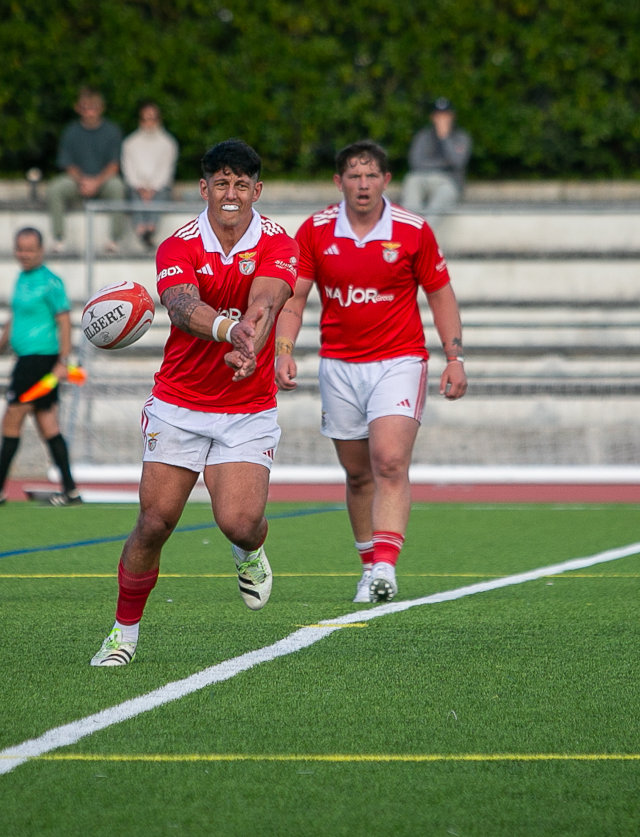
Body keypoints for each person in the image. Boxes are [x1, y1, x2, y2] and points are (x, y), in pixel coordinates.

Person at [90, 139, 299, 666]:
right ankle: (123, 634)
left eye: (241, 184)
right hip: (179, 402)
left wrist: (251, 341)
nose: (231, 193)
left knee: (240, 522)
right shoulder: (178, 245)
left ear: (257, 190)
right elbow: (182, 306)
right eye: (221, 183)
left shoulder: (279, 241)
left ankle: (250, 550)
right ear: (204, 188)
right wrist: (232, 333)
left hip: (247, 406)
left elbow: (268, 298)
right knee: (155, 521)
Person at [275, 140, 467, 604]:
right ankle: (368, 569)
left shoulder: (413, 231)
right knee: (358, 474)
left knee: (390, 461)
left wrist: (454, 357)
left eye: (371, 175)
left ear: (387, 180)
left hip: (399, 361)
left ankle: (385, 566)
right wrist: (283, 350)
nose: (363, 185)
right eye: (354, 176)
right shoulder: (315, 230)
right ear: (338, 181)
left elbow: (441, 295)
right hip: (339, 365)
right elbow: (294, 298)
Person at [0, 228, 82, 506]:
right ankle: (70, 490)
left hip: (39, 362)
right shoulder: (21, 279)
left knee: (12, 417)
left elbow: (64, 321)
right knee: (47, 423)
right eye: (20, 249)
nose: (23, 254)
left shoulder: (51, 282)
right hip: (26, 361)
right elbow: (15, 319)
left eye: (29, 249)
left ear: (41, 250)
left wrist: (64, 362)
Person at [47, 87, 126, 253]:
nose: (90, 112)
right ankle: (59, 238)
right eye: (85, 108)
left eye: (93, 108)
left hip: (103, 182)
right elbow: (67, 164)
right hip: (78, 182)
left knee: (117, 186)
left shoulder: (112, 131)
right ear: (78, 108)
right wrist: (83, 181)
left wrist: (96, 183)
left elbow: (114, 165)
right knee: (55, 188)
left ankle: (115, 239)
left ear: (101, 108)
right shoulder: (71, 131)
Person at [401, 97, 472, 227]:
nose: (442, 120)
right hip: (422, 178)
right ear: (433, 117)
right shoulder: (423, 136)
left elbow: (458, 162)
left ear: (452, 117)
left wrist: (444, 138)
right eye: (439, 116)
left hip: (448, 181)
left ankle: (424, 234)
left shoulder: (461, 137)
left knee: (441, 200)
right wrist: (444, 164)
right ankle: (410, 228)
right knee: (411, 181)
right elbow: (415, 162)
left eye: (445, 116)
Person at [121, 100, 179, 250]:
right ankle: (143, 230)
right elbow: (128, 170)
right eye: (146, 119)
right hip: (137, 187)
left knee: (160, 194)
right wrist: (140, 187)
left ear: (158, 119)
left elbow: (166, 171)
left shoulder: (168, 143)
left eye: (152, 118)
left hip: (159, 187)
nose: (149, 123)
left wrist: (152, 188)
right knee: (134, 194)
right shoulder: (130, 143)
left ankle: (150, 229)